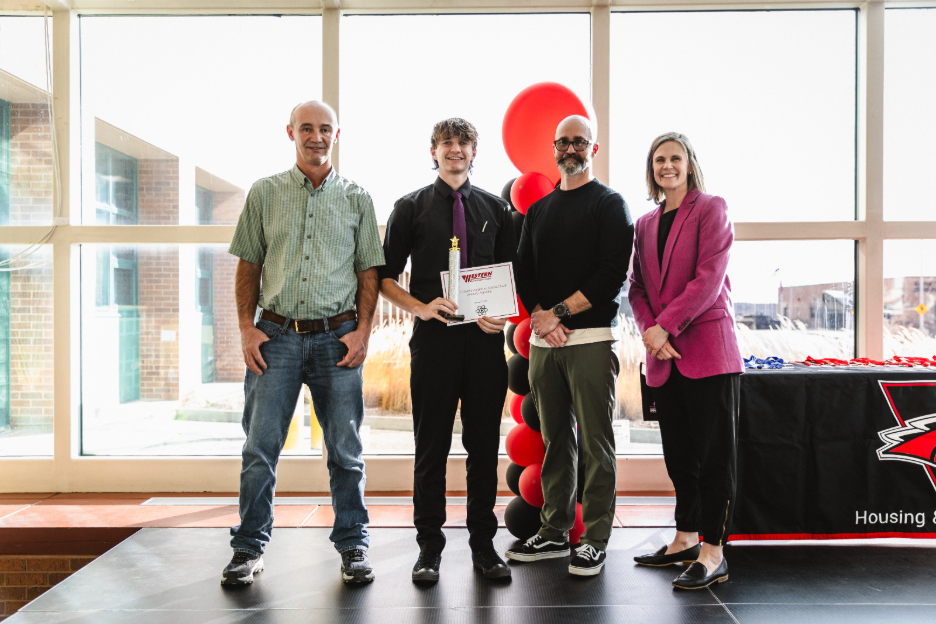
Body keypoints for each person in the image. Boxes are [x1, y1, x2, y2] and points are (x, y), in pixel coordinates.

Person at [222, 100, 385, 587]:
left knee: (346, 452)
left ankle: (353, 545)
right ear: (290, 132)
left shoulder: (357, 198)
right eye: (307, 128)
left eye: (325, 129)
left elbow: (368, 272)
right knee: (260, 449)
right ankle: (248, 548)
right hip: (275, 339)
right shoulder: (265, 193)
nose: (317, 136)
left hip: (338, 339)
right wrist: (246, 328)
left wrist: (363, 332)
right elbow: (249, 264)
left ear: (337, 134)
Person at [379, 118, 515, 583]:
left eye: (464, 143)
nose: (455, 149)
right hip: (433, 344)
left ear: (475, 151)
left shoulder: (497, 209)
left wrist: (502, 315)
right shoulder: (410, 208)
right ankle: (428, 549)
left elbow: (512, 277)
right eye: (446, 143)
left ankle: (484, 547)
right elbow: (384, 278)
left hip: (484, 345)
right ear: (433, 151)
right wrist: (420, 307)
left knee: (483, 447)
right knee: (430, 448)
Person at [508, 115, 633, 577]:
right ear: (554, 148)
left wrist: (556, 314)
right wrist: (543, 318)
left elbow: (610, 275)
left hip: (591, 341)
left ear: (593, 149)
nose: (570, 149)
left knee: (596, 442)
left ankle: (595, 539)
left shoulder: (610, 205)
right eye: (563, 142)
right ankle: (554, 531)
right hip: (545, 343)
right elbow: (524, 272)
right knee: (555, 440)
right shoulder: (538, 211)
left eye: (579, 142)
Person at [629, 132, 743, 590]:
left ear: (689, 164)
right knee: (679, 456)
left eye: (675, 158)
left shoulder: (711, 208)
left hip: (708, 352)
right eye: (659, 159)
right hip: (664, 356)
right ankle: (685, 538)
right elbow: (637, 287)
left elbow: (708, 278)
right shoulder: (644, 223)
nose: (667, 166)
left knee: (715, 458)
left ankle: (714, 552)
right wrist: (651, 332)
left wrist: (665, 326)